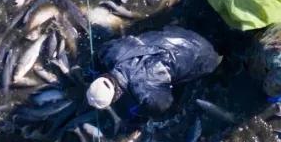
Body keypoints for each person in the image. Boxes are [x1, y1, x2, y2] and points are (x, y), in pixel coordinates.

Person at [85, 27, 221, 116]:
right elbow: (100, 52)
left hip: (204, 57)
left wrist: (139, 111)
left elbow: (164, 106)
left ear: (115, 97)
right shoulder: (111, 53)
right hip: (182, 33)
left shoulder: (143, 90)